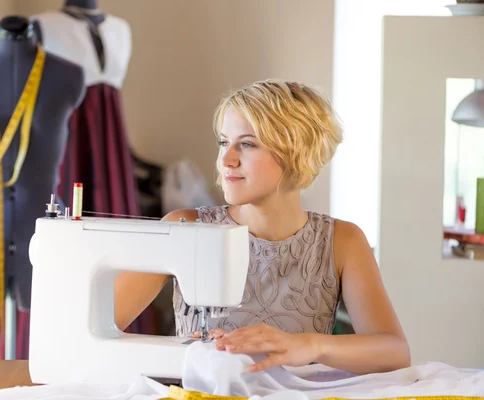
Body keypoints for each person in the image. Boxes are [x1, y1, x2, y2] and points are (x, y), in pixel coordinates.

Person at [114, 79, 410, 375]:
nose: (226, 160)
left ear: (296, 151)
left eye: (246, 144)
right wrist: (182, 354)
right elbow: (95, 329)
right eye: (223, 142)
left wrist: (310, 345)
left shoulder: (342, 241)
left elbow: (394, 352)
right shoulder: (185, 228)